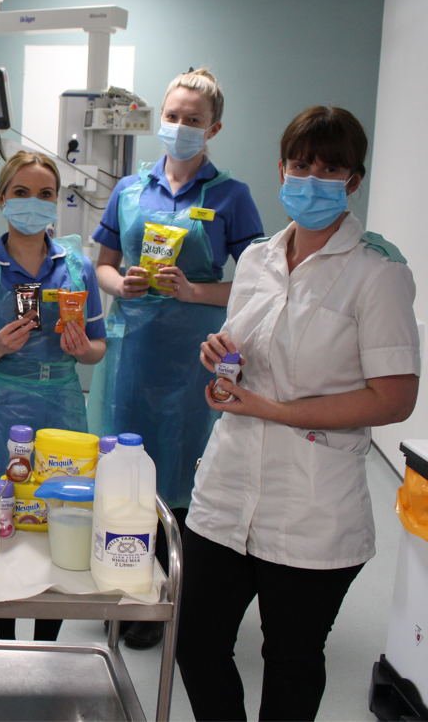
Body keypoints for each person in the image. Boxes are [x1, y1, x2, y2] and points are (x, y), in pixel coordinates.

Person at [178, 106, 419, 722]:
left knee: (291, 659)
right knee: (197, 644)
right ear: (281, 167)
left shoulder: (378, 272)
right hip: (227, 492)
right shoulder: (258, 257)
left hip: (313, 505)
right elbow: (245, 351)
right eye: (300, 165)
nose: (310, 180)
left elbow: (395, 397)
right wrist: (221, 361)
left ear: (353, 180)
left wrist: (278, 410)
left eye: (329, 169)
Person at [86, 69, 264, 649]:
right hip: (133, 345)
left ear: (214, 127)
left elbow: (256, 284)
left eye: (193, 118)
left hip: (194, 349)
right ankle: (125, 582)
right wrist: (121, 284)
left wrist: (196, 292)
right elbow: (103, 263)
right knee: (125, 465)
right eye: (173, 115)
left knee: (186, 465)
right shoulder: (130, 189)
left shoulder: (231, 196)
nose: (180, 126)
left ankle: (173, 594)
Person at [0, 150, 106, 642]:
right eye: (21, 193)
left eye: (45, 195)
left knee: (60, 523)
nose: (32, 203)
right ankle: (5, 642)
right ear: (1, 199)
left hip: (60, 410)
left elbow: (98, 350)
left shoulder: (78, 270)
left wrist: (82, 349)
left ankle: (46, 645)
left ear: (57, 204)